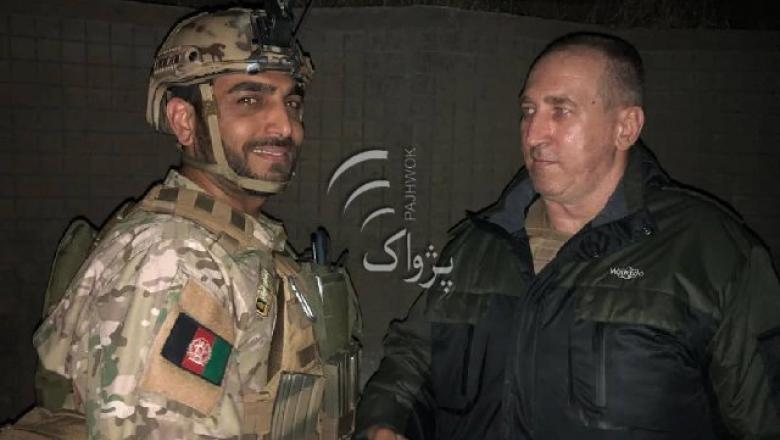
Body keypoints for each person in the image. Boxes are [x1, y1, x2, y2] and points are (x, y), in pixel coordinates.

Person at [355, 32, 780, 439]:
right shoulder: (477, 247)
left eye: (560, 110)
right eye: (528, 111)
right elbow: (411, 363)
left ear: (626, 127)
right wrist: (382, 423)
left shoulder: (711, 254)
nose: (533, 134)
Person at [4, 6, 361, 440]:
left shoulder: (236, 242)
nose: (285, 125)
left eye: (292, 102)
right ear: (184, 121)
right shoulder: (174, 261)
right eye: (249, 100)